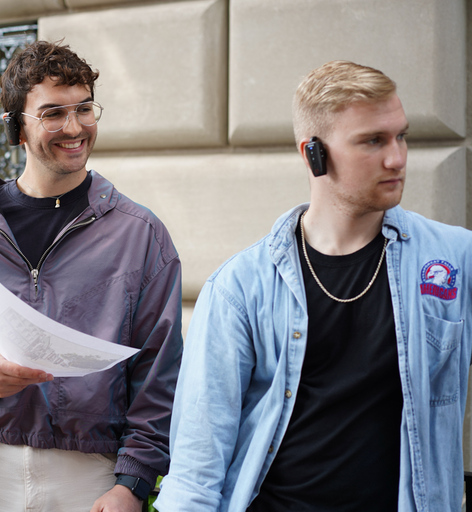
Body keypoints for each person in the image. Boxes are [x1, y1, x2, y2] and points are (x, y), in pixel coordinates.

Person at [154, 60, 472, 511]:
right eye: (372, 141)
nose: (397, 158)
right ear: (313, 154)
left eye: (401, 136)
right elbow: (197, 462)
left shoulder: (454, 260)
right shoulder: (241, 287)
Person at [0, 40, 182, 512]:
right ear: (16, 127)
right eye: (52, 113)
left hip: (90, 477)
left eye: (84, 108)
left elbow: (160, 372)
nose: (74, 127)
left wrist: (133, 482)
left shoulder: (141, 235)